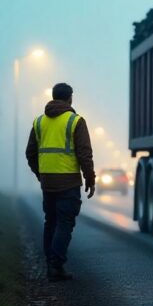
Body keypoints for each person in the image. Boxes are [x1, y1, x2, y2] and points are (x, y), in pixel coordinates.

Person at [26, 82, 95, 281]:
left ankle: (51, 264)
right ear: (70, 98)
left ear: (53, 97)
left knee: (51, 222)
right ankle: (56, 265)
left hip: (47, 183)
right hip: (68, 183)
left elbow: (30, 153)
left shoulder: (39, 122)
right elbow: (84, 154)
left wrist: (40, 174)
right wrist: (90, 178)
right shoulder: (76, 121)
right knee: (64, 223)